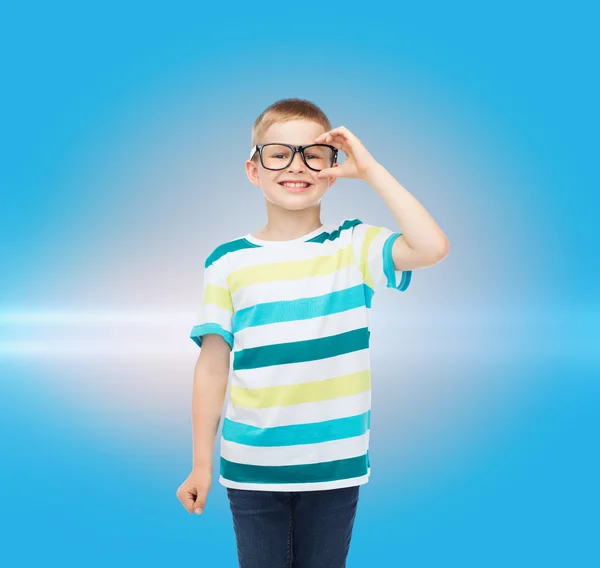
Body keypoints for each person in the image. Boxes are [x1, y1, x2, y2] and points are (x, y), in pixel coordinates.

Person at [176, 98, 450, 567]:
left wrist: (373, 170)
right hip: (252, 466)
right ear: (253, 169)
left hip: (335, 464)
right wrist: (201, 462)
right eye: (279, 153)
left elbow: (431, 246)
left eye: (313, 154)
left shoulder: (355, 245)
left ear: (333, 168)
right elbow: (212, 364)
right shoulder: (226, 261)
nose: (296, 165)